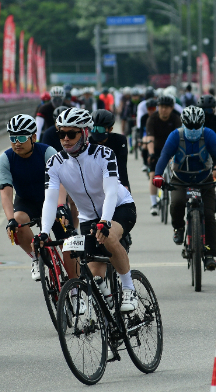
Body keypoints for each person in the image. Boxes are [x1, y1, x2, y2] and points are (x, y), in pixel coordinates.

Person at [35, 107, 137, 313]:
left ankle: (129, 289)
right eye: (61, 133)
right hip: (89, 217)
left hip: (118, 208)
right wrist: (45, 232)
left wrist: (105, 221)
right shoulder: (54, 163)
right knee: (95, 275)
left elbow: (110, 192)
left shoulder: (104, 154)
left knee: (108, 238)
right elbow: (50, 200)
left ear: (84, 133)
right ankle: (110, 315)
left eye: (71, 134)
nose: (65, 139)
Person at [0, 114, 73, 281]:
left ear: (33, 137)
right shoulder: (5, 159)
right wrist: (10, 219)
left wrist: (60, 207)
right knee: (17, 221)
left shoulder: (47, 152)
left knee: (68, 245)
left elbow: (61, 183)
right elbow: (6, 192)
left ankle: (74, 289)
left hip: (51, 200)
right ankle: (35, 256)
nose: (17, 142)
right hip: (27, 202)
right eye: (13, 137)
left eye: (22, 137)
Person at [152, 106, 216, 271]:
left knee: (209, 215)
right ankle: (178, 228)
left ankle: (209, 254)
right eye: (189, 127)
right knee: (177, 203)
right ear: (183, 123)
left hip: (204, 179)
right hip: (181, 179)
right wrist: (158, 175)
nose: (193, 130)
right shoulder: (175, 136)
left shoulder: (209, 134)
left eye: (196, 127)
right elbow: (164, 156)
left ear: (202, 124)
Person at [145, 95, 182, 215]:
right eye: (161, 107)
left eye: (166, 107)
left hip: (172, 150)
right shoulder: (152, 119)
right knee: (153, 175)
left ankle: (175, 199)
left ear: (171, 108)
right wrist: (151, 154)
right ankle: (154, 203)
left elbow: (180, 139)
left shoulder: (176, 119)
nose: (163, 109)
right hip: (156, 149)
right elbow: (150, 139)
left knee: (177, 172)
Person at [90, 109, 130, 189]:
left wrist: (125, 184)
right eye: (94, 128)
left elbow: (121, 164)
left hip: (115, 178)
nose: (97, 131)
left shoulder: (120, 140)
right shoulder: (89, 142)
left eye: (100, 129)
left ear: (110, 129)